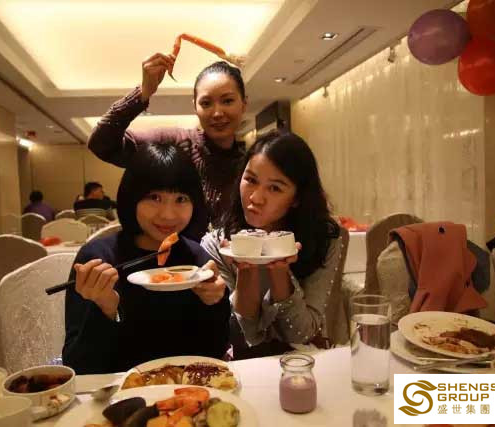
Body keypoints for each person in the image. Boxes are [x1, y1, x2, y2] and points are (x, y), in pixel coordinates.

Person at [63, 143, 230, 374]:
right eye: (154, 197)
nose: (168, 215)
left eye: (181, 199)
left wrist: (215, 302)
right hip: (123, 391)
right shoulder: (98, 259)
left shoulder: (196, 258)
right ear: (132, 197)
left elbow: (214, 352)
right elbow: (79, 367)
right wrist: (106, 310)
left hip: (184, 390)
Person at [201, 130, 343, 359]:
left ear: (297, 198)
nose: (255, 198)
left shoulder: (324, 238)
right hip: (246, 366)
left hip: (307, 362)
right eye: (251, 180)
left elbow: (301, 333)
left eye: (275, 188)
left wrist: (279, 271)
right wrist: (246, 269)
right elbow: (246, 336)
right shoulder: (218, 244)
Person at [87, 55, 248, 226]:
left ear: (244, 104)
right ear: (195, 107)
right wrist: (143, 92)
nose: (217, 113)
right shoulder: (176, 143)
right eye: (206, 103)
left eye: (227, 101)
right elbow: (101, 143)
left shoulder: (250, 165)